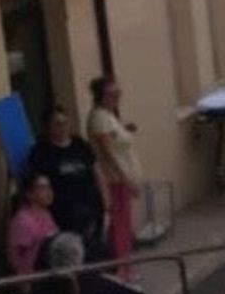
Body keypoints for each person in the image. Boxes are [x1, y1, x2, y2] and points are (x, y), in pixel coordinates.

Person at [28, 107, 110, 256]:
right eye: (57, 124)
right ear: (48, 127)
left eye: (65, 123)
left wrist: (106, 203)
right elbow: (38, 184)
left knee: (94, 250)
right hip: (62, 213)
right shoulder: (41, 152)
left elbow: (97, 172)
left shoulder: (80, 145)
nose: (62, 128)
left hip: (90, 207)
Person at [86, 77, 141, 280]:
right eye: (112, 94)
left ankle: (123, 265)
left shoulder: (108, 116)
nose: (117, 98)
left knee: (122, 223)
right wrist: (126, 178)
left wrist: (125, 132)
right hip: (114, 179)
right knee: (120, 224)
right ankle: (121, 268)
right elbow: (107, 151)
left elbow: (117, 147)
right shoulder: (99, 117)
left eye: (118, 94)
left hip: (119, 176)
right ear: (102, 96)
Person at [7, 174, 59, 277]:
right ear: (29, 194)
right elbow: (13, 256)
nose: (49, 192)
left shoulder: (47, 215)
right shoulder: (22, 220)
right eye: (42, 188)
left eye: (49, 187)